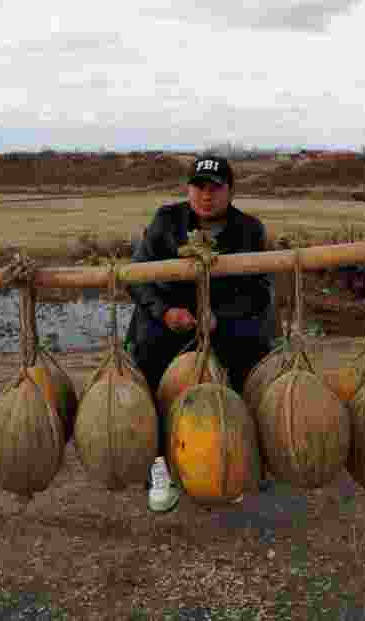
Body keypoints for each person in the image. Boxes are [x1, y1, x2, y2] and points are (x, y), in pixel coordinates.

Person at [125, 155, 276, 513]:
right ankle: (159, 466)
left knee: (251, 365)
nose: (206, 195)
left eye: (215, 188)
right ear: (188, 189)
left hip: (222, 326)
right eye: (199, 187)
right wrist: (165, 312)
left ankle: (236, 460)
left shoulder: (249, 229)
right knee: (147, 369)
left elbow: (259, 293)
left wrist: (219, 318)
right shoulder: (165, 220)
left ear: (230, 191)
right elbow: (137, 277)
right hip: (170, 324)